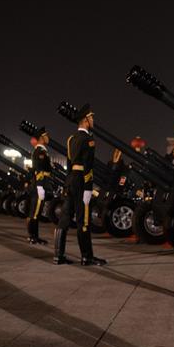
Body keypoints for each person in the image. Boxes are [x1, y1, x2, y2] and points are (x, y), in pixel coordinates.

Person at [53, 104, 107, 266]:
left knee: (64, 217)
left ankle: (58, 255)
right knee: (83, 221)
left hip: (71, 181)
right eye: (91, 118)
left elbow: (70, 165)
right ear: (85, 120)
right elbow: (88, 165)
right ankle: (86, 256)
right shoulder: (88, 140)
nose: (93, 120)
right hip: (82, 182)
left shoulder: (71, 139)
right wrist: (88, 188)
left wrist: (68, 182)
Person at [26, 127, 52, 244]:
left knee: (36, 212)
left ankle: (34, 236)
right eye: (46, 135)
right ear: (41, 138)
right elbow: (39, 169)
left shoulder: (41, 151)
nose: (48, 137)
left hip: (39, 184)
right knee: (35, 212)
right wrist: (40, 186)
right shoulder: (40, 152)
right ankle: (33, 236)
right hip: (39, 184)